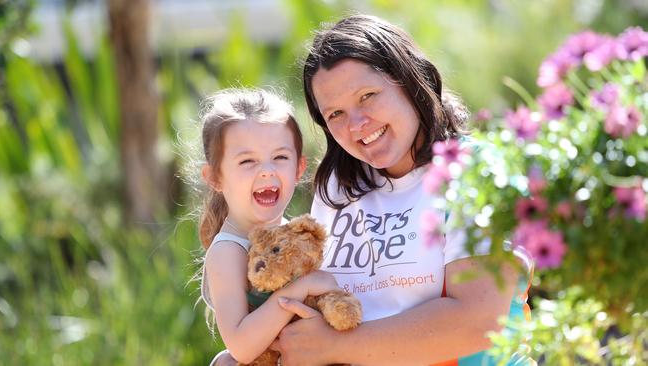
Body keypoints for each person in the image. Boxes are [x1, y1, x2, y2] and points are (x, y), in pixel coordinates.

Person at [268, 14, 535, 366]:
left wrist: (336, 347)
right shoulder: (336, 187)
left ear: (410, 81)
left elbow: (479, 321)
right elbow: (309, 309)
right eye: (335, 114)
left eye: (368, 96)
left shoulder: (475, 171)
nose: (357, 125)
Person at [196, 89, 341, 365]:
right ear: (215, 177)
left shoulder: (294, 235)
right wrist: (302, 288)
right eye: (247, 161)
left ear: (299, 168)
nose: (267, 170)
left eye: (280, 157)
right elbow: (241, 346)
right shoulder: (228, 251)